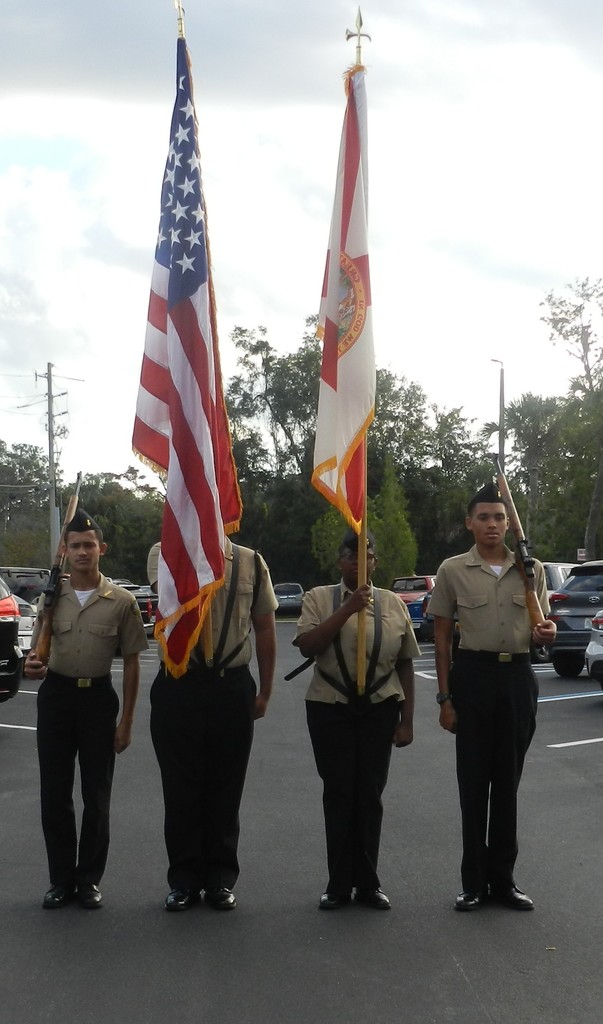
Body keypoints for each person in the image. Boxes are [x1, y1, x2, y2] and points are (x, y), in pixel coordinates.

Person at [429, 481, 557, 912]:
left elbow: (542, 631)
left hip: (518, 679)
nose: (492, 524)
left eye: (499, 517)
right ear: (469, 523)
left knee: (508, 785)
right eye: (483, 517)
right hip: (474, 678)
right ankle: (473, 883)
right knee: (473, 785)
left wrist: (548, 635)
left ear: (508, 523)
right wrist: (445, 697)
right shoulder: (452, 570)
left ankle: (503, 881)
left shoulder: (531, 569)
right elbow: (442, 638)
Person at [24, 509, 148, 910]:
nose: (82, 552)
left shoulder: (122, 602)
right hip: (58, 699)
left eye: (89, 545)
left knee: (97, 795)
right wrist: (32, 661)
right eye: (74, 545)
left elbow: (132, 662)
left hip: (97, 700)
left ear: (101, 550)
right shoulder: (50, 596)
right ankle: (60, 879)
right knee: (55, 793)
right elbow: (38, 645)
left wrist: (126, 720)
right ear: (65, 549)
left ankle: (89, 880)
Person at [148, 537, 277, 912]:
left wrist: (265, 691)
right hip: (179, 683)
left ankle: (220, 878)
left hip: (231, 684)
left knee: (226, 786)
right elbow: (174, 589)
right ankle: (184, 878)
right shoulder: (165, 549)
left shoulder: (252, 561)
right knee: (180, 787)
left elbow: (265, 627)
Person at [294, 529, 419, 911]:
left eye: (367, 556)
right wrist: (348, 609)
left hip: (379, 707)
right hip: (330, 706)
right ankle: (338, 883)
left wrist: (407, 720)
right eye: (351, 556)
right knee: (339, 793)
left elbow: (405, 662)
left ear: (375, 562)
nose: (359, 563)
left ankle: (368, 882)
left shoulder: (392, 604)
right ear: (340, 561)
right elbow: (309, 645)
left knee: (369, 795)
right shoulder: (318, 598)